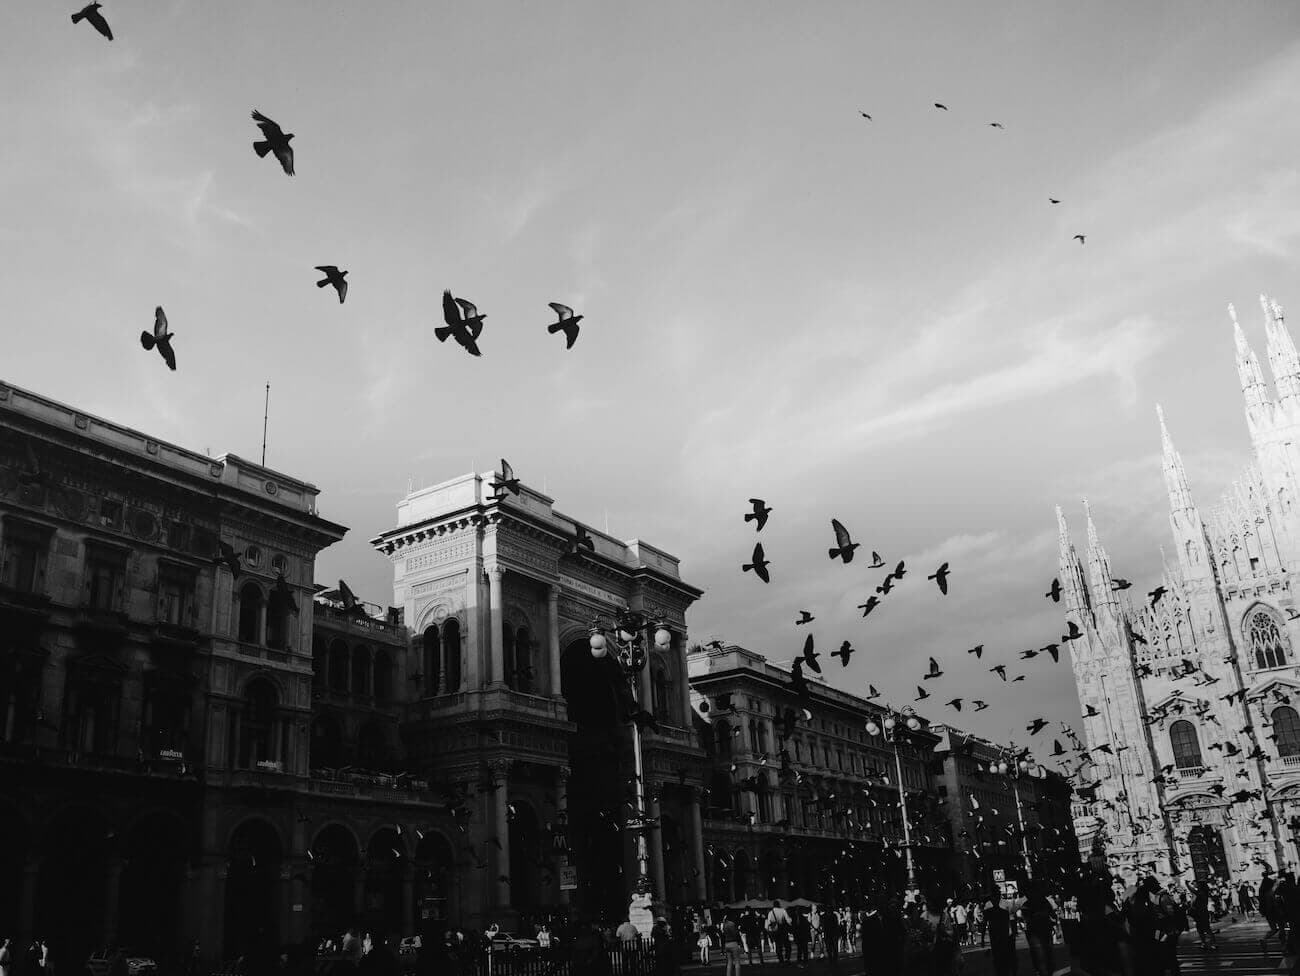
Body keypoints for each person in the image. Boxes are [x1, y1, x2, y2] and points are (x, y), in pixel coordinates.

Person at [1023, 883, 1058, 976]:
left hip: (1035, 932)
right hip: (1044, 930)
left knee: (1040, 956)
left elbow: (1026, 917)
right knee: (1047, 954)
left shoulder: (1027, 903)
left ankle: (1041, 971)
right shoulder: (1044, 901)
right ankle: (1046, 971)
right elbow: (1053, 914)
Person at [985, 893, 1017, 976]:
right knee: (1003, 955)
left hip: (1000, 934)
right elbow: (1012, 916)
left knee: (1002, 955)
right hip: (1001, 934)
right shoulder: (1003, 905)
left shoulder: (989, 905)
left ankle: (1005, 971)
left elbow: (1012, 917)